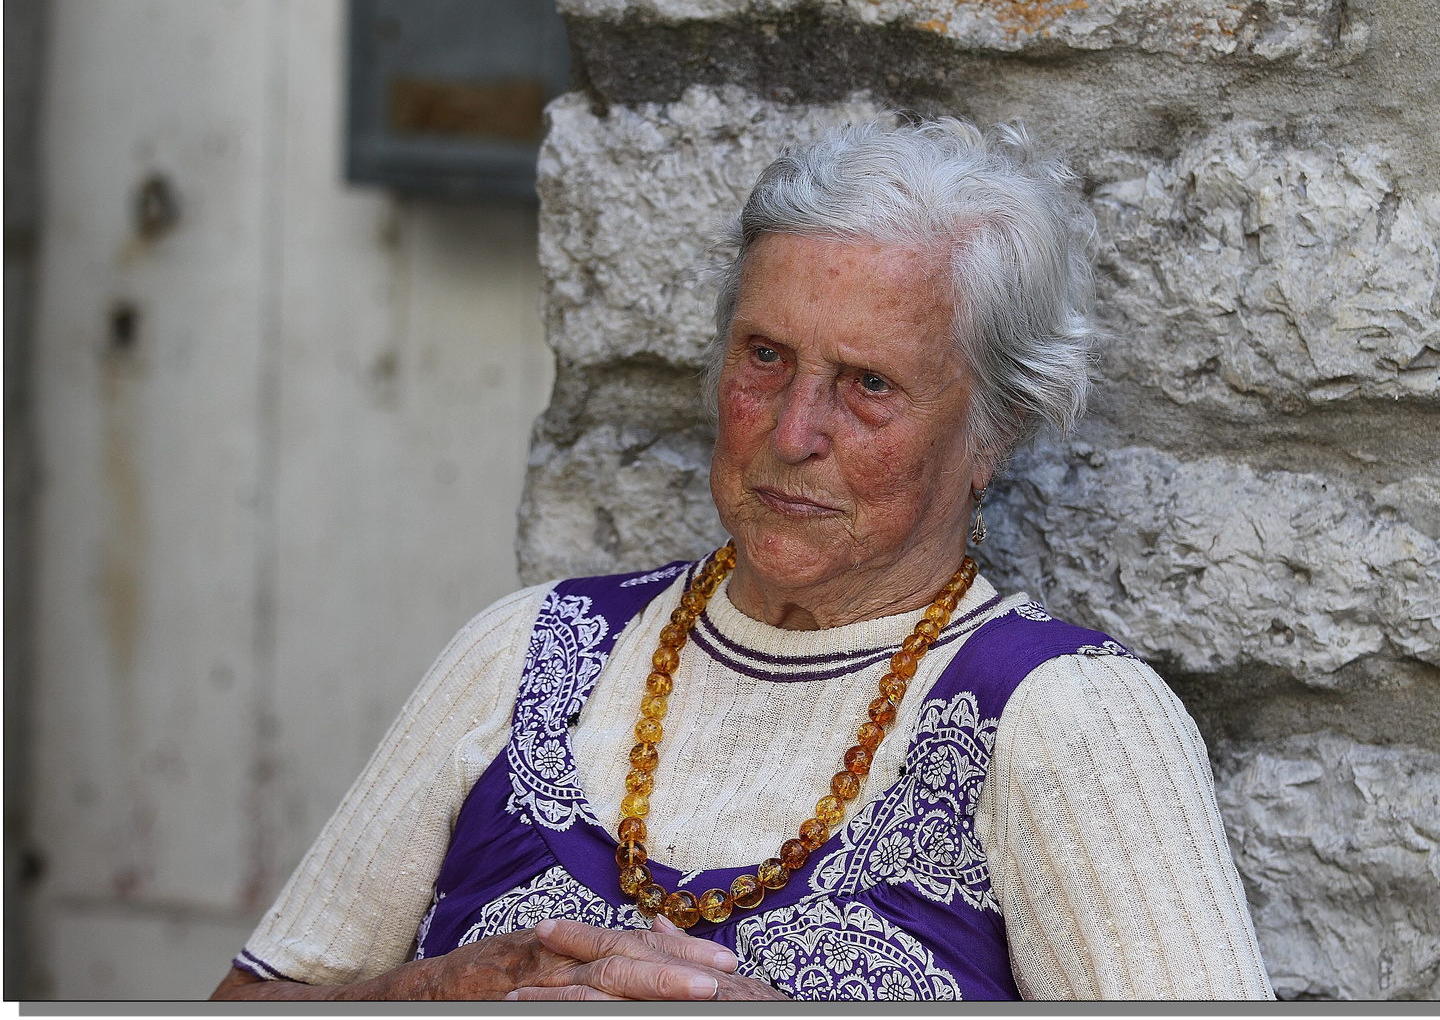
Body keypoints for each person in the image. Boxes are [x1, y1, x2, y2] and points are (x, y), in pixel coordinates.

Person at [212, 117, 1274, 1001]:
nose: (793, 431)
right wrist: (440, 989)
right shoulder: (528, 651)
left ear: (996, 429)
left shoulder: (1067, 720)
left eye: (868, 385)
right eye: (766, 358)